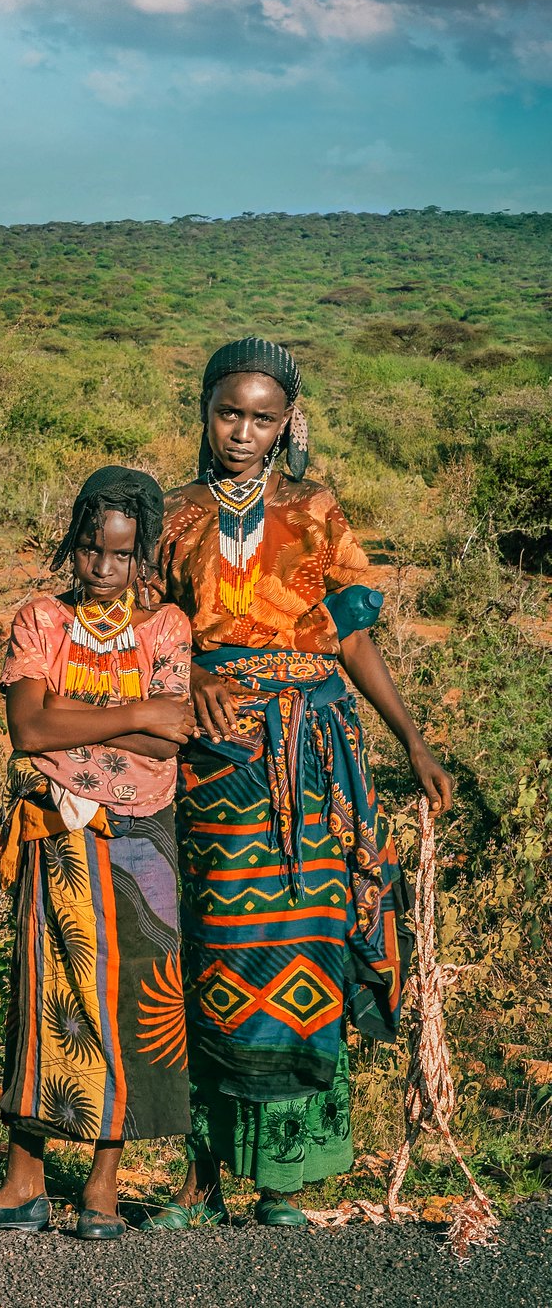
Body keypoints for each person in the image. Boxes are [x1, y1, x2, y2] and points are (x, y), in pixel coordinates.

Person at [147, 337, 454, 1229]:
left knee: (306, 952)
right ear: (204, 411)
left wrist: (414, 742)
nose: (243, 431)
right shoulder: (173, 516)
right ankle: (202, 1177)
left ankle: (283, 1179)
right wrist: (187, 671)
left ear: (291, 423)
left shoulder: (319, 513)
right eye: (228, 412)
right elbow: (146, 630)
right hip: (213, 767)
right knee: (209, 955)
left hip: (315, 763)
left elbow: (353, 636)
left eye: (262, 416)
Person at [0, 466, 196, 1240]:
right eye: (90, 550)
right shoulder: (40, 620)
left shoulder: (168, 628)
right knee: (44, 1002)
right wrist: (135, 708)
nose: (103, 569)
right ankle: (24, 1183)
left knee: (130, 1001)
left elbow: (167, 737)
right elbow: (28, 730)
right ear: (73, 545)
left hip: (141, 836)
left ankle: (103, 1187)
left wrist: (79, 711)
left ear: (144, 554)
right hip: (55, 831)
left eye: (120, 554)